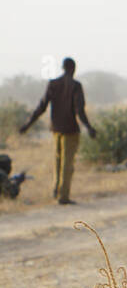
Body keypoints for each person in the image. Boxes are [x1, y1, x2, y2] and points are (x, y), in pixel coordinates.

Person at [18, 57, 97, 204]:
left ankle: (56, 191)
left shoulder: (53, 84)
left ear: (63, 68)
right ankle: (63, 196)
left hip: (56, 129)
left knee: (57, 161)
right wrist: (89, 128)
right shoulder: (76, 86)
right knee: (67, 164)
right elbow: (80, 110)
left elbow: (41, 107)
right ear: (73, 69)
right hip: (70, 130)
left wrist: (27, 124)